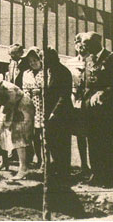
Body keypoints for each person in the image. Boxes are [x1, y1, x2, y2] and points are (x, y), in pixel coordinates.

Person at [81, 32, 113, 186]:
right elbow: (87, 85)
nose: (84, 46)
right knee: (92, 141)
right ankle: (96, 173)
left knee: (106, 141)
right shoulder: (88, 60)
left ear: (97, 42)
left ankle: (108, 175)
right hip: (90, 109)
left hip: (108, 109)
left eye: (87, 43)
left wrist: (103, 93)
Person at [0, 69, 35, 180]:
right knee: (2, 135)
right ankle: (5, 162)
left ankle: (24, 168)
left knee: (18, 135)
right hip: (8, 109)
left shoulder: (8, 90)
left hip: (23, 107)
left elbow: (5, 113)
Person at [45, 46, 75, 178]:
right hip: (50, 112)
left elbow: (64, 95)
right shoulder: (48, 71)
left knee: (62, 143)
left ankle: (64, 171)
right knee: (51, 142)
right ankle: (56, 166)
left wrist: (55, 112)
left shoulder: (63, 72)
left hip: (62, 113)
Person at [66, 33, 91, 178]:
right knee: (80, 135)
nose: (80, 46)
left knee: (92, 134)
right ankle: (84, 165)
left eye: (82, 43)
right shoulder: (70, 63)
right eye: (77, 43)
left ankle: (96, 166)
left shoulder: (93, 61)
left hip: (90, 101)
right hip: (75, 102)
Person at [22, 47, 44, 169]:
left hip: (44, 106)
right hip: (32, 107)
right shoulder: (27, 74)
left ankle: (46, 160)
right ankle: (39, 159)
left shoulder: (46, 72)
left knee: (44, 135)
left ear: (40, 59)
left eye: (35, 60)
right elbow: (25, 90)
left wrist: (39, 91)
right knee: (35, 136)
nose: (32, 63)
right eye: (30, 61)